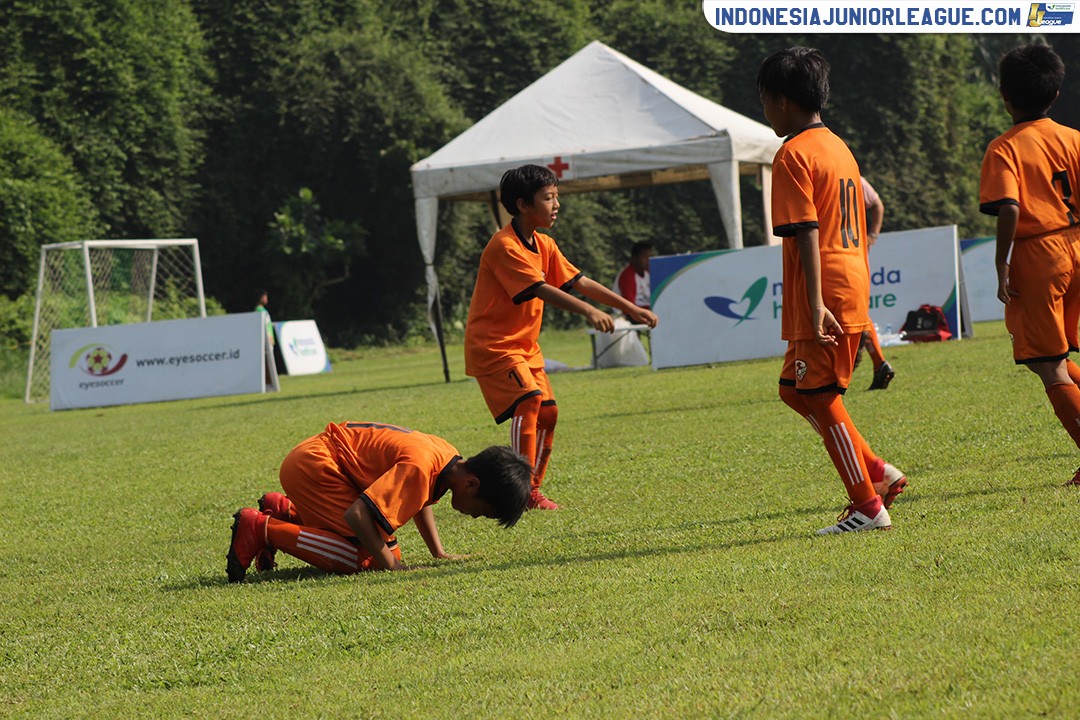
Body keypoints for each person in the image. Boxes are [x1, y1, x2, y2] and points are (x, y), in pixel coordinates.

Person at [758, 46, 908, 534]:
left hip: (824, 285)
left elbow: (804, 228)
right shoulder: (838, 146)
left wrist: (817, 301)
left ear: (781, 101)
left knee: (820, 395)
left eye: (763, 99)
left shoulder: (792, 153)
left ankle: (868, 504)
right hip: (848, 275)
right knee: (793, 390)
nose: (764, 110)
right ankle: (877, 472)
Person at [464, 164, 659, 510]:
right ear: (524, 205)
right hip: (494, 346)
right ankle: (519, 492)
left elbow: (578, 282)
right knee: (529, 402)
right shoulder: (505, 245)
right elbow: (540, 289)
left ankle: (532, 491)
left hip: (526, 347)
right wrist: (588, 311)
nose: (556, 205)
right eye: (549, 198)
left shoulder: (544, 243)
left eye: (557, 197)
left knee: (549, 414)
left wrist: (630, 308)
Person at [225, 421, 532, 582]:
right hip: (316, 467)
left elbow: (420, 497)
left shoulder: (446, 457)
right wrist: (392, 566)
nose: (477, 517)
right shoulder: (422, 465)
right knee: (368, 559)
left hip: (317, 459)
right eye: (483, 512)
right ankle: (262, 528)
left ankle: (286, 512)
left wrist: (437, 552)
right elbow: (357, 515)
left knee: (383, 547)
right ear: (472, 483)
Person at [979, 44, 1080, 487]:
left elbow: (1010, 208)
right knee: (1059, 353)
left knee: (1048, 361)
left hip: (1041, 253)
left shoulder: (1004, 148)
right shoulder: (1075, 139)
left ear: (1004, 95)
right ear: (1055, 92)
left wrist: (1002, 261)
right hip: (1078, 243)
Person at [856, 177, 896, 390]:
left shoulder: (855, 179)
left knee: (857, 313)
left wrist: (873, 235)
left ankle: (874, 363)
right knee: (858, 313)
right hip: (852, 254)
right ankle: (878, 363)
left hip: (847, 254)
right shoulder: (851, 177)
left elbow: (878, 205)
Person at [614, 241, 654, 310]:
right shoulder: (627, 275)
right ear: (635, 258)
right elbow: (629, 308)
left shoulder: (648, 273)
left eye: (650, 257)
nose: (648, 260)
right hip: (628, 316)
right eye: (644, 257)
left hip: (646, 312)